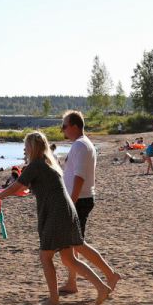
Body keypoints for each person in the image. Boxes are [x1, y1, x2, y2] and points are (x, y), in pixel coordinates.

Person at [0, 132, 118, 305]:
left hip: (57, 214)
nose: (24, 149)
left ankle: (54, 299)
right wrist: (1, 195)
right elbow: (23, 188)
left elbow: (17, 186)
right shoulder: (47, 163)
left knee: (46, 256)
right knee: (68, 258)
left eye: (26, 146)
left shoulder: (35, 166)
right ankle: (101, 288)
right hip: (64, 211)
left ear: (32, 148)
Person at [59, 111, 99, 295]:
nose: (62, 130)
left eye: (64, 126)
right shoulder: (81, 145)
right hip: (80, 199)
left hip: (80, 200)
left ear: (75, 126)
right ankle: (71, 282)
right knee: (74, 244)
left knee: (77, 244)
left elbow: (79, 177)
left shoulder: (81, 146)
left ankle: (108, 275)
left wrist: (71, 203)